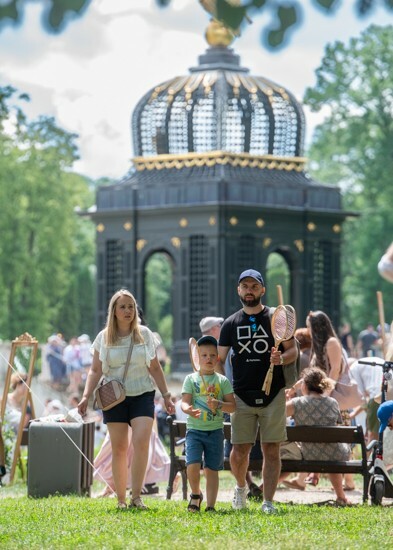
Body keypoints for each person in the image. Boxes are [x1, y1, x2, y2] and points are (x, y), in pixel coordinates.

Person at [77, 288, 175, 510]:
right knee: (119, 448)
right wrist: (85, 396)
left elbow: (155, 367)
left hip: (142, 393)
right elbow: (95, 370)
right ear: (114, 311)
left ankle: (136, 496)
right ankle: (121, 499)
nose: (128, 310)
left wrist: (167, 395)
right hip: (114, 397)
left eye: (131, 306)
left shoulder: (145, 334)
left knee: (141, 442)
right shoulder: (103, 337)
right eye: (122, 307)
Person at [218, 269, 298, 514]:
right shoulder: (230, 324)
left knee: (271, 449)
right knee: (239, 450)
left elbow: (292, 351)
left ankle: (268, 501)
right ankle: (241, 489)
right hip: (240, 395)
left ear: (262, 290)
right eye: (245, 286)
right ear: (238, 290)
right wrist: (224, 388)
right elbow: (220, 359)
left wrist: (280, 358)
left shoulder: (276, 318)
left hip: (273, 394)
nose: (249, 290)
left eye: (254, 286)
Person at [181, 335, 235, 512]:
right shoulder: (191, 379)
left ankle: (211, 506)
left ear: (218, 358)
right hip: (195, 431)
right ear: (197, 357)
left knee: (212, 470)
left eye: (212, 355)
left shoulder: (222, 381)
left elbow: (232, 407)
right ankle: (196, 495)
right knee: (192, 465)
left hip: (215, 431)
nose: (208, 359)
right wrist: (188, 409)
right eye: (204, 355)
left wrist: (219, 404)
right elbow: (184, 402)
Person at [283, 367, 351, 505]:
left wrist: (289, 395)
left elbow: (277, 415)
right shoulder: (333, 402)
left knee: (291, 454)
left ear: (305, 385)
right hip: (334, 453)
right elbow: (338, 424)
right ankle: (340, 496)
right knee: (331, 450)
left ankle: (262, 489)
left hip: (308, 453)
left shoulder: (297, 403)